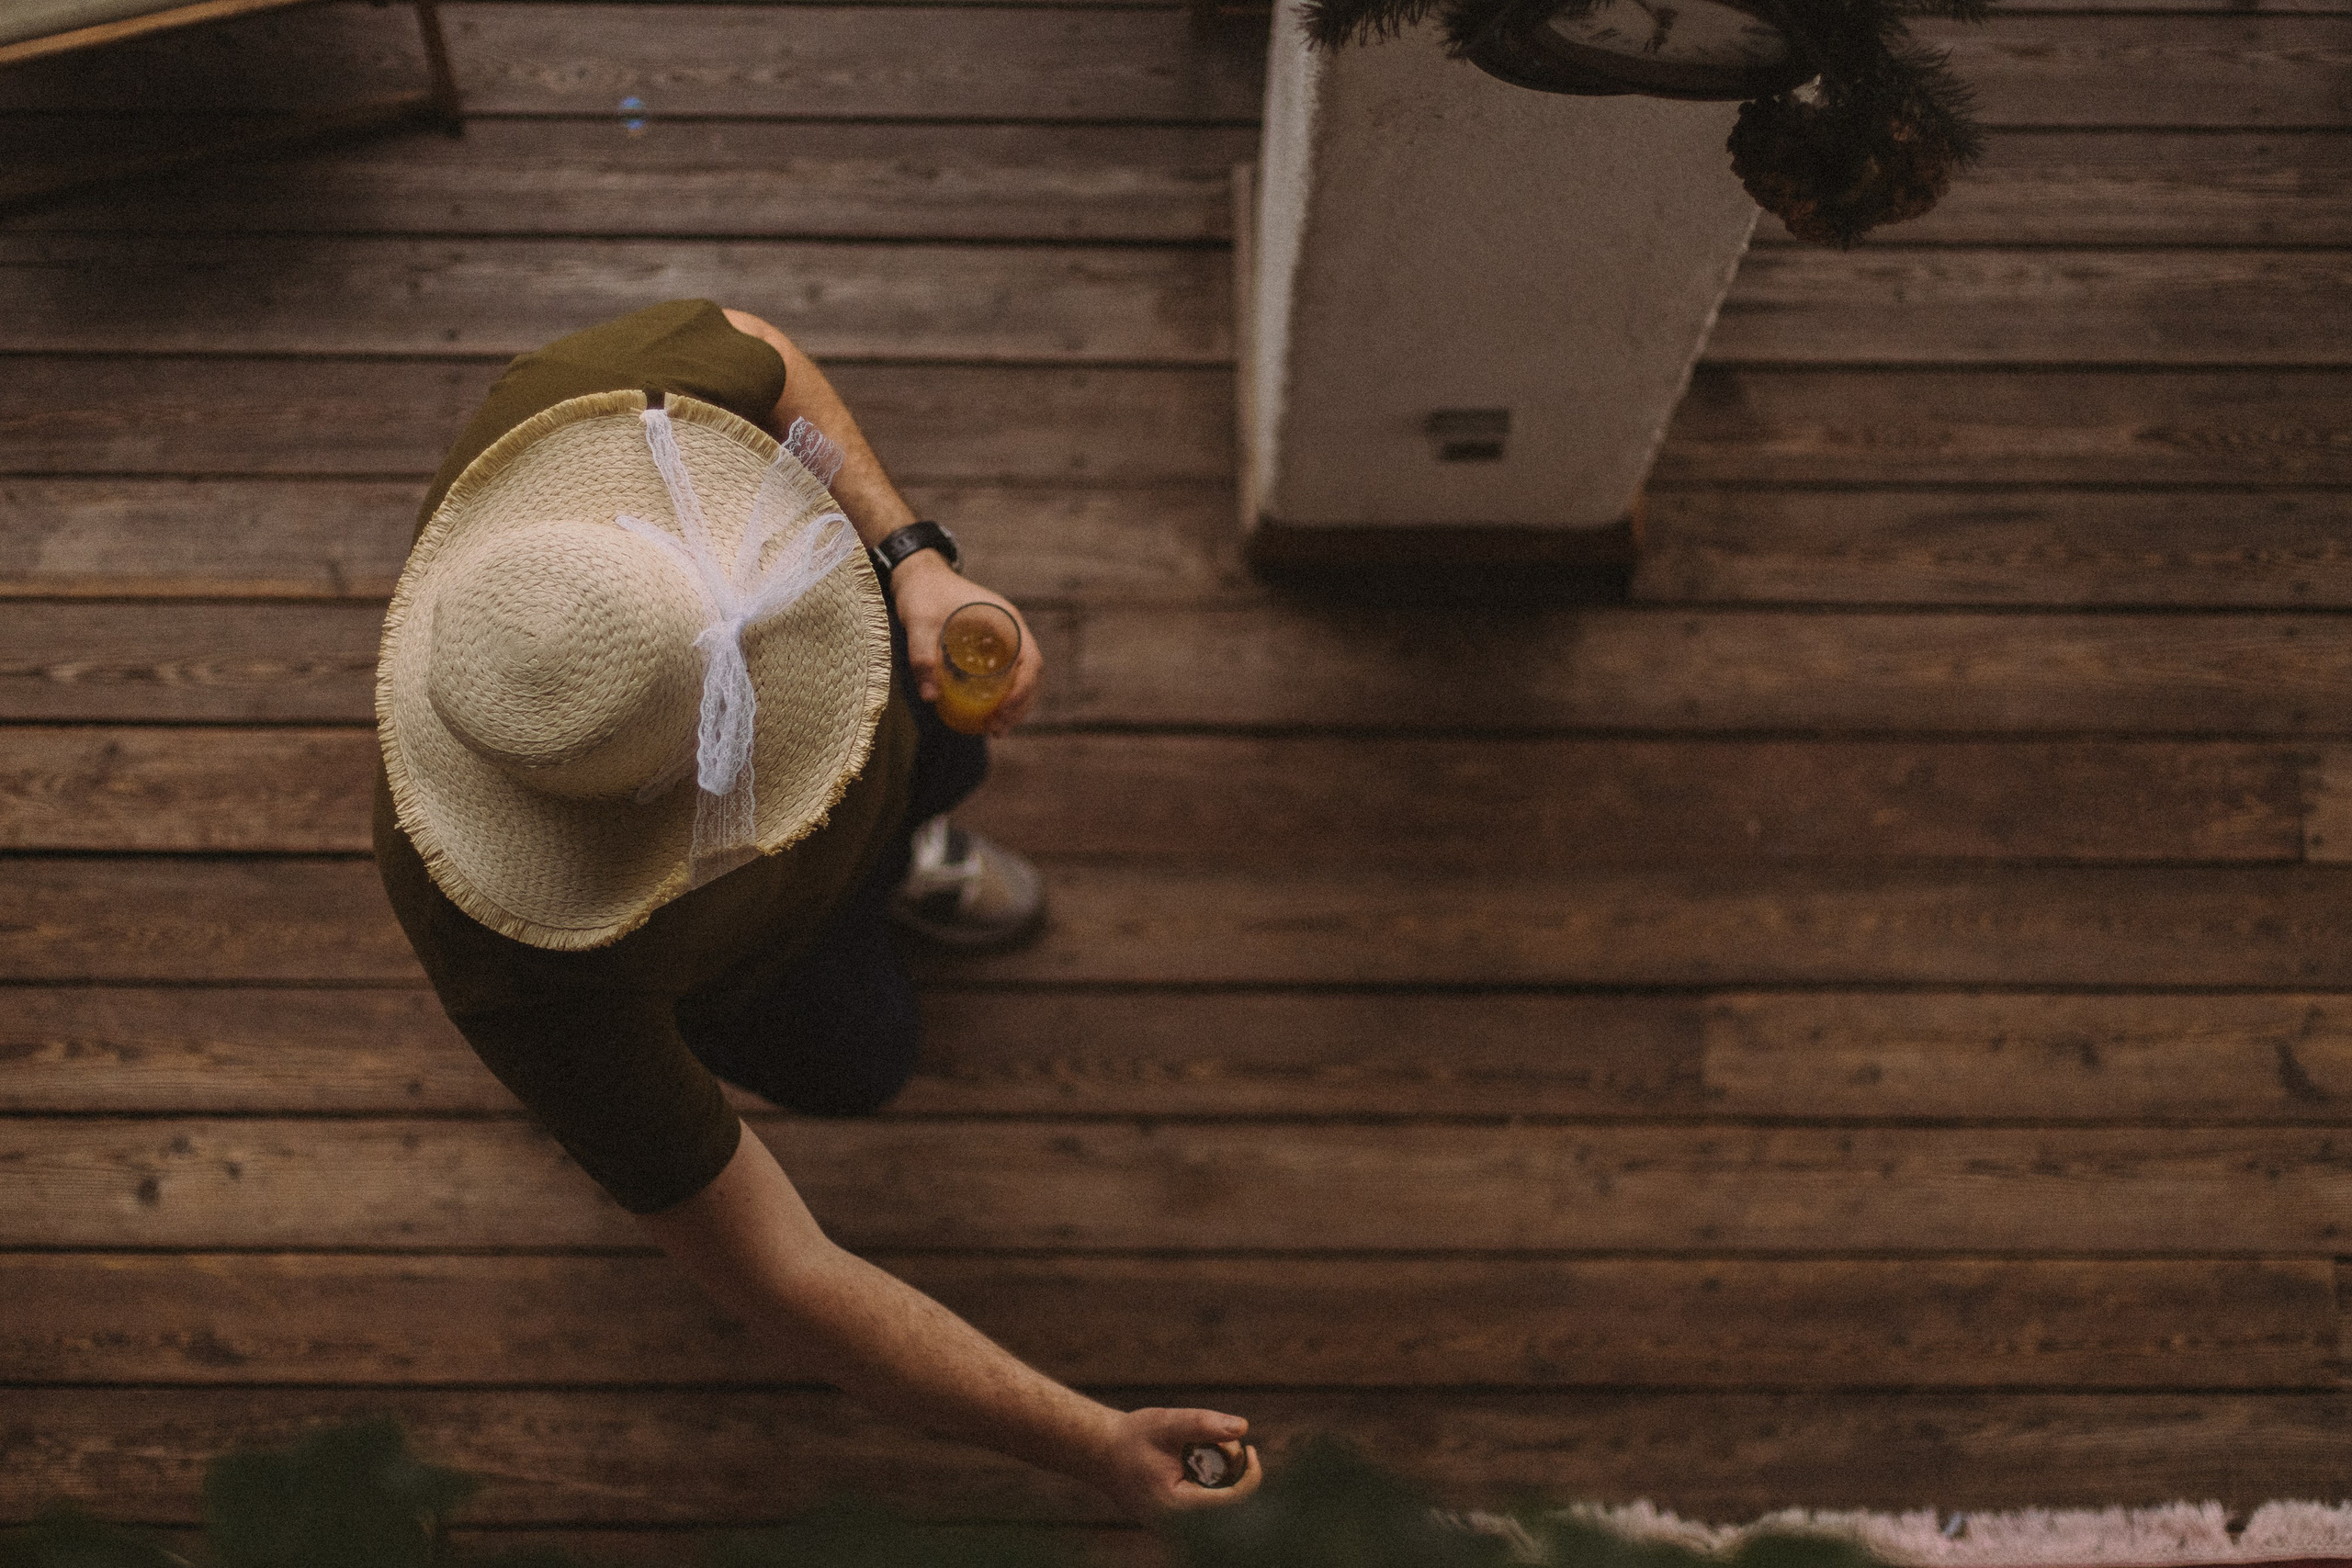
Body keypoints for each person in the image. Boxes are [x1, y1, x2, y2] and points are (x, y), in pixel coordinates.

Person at [371, 299, 1261, 1517]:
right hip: (758, 966)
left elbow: (757, 348)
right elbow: (788, 1272)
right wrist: (1096, 1443)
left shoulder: (571, 407)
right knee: (866, 1057)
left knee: (941, 756)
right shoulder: (527, 973)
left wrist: (911, 562)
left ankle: (902, 859)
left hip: (886, 707)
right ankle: (626, 1101)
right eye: (762, 734)